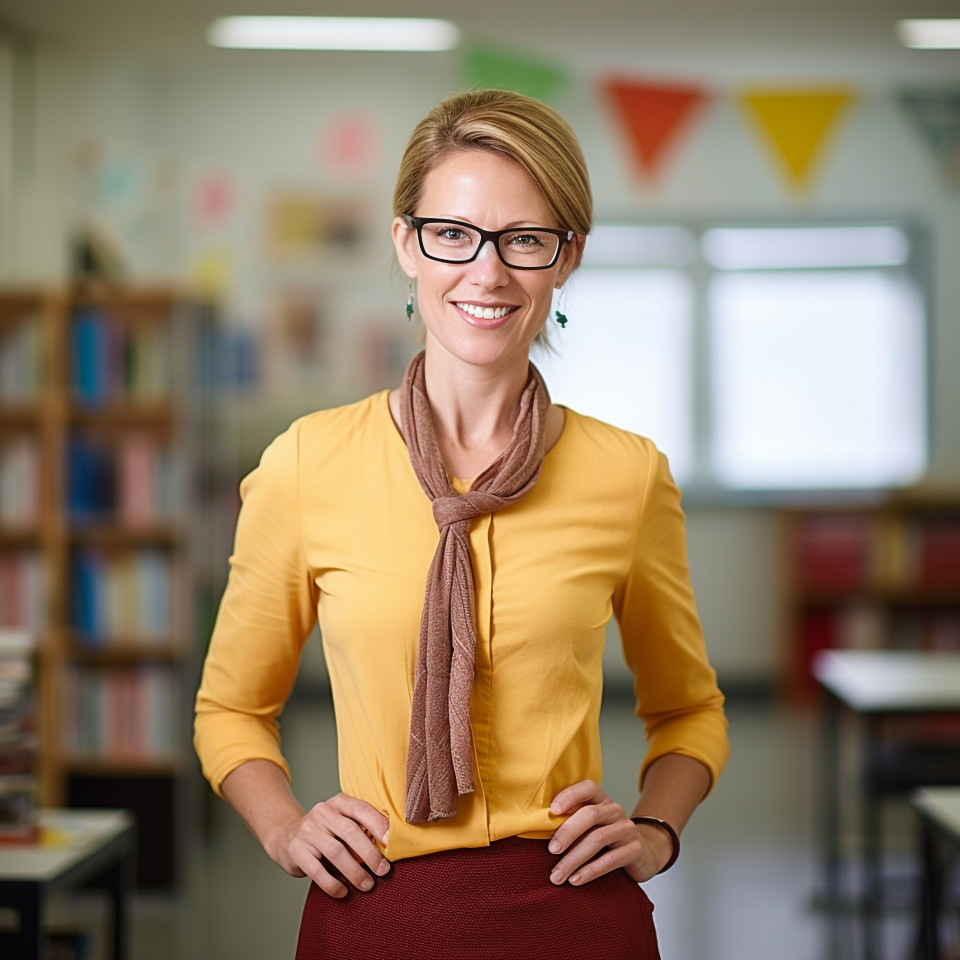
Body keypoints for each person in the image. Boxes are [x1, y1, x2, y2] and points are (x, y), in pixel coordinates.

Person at [194, 88, 729, 960]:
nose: (487, 272)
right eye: (453, 233)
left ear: (567, 257)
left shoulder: (627, 475)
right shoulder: (306, 463)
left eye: (525, 239)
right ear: (406, 243)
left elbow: (691, 711)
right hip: (376, 910)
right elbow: (229, 710)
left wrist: (656, 831)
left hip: (576, 915)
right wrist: (286, 828)